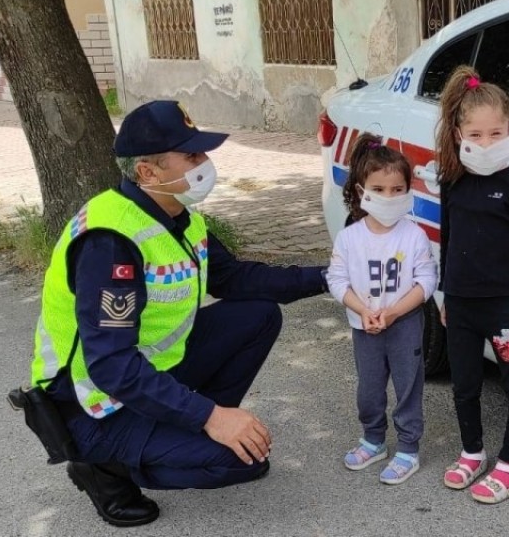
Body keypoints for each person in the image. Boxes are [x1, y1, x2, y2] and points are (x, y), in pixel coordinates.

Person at [25, 100, 329, 527]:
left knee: (258, 315)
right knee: (238, 463)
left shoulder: (179, 217)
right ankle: (101, 467)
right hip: (92, 402)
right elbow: (111, 367)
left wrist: (329, 277)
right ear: (148, 172)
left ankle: (187, 427)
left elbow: (235, 278)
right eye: (191, 156)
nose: (204, 164)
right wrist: (211, 417)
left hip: (151, 368)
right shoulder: (110, 243)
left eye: (201, 153)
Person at [434, 66, 509, 504]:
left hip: (504, 312)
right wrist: (444, 294)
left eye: (496, 134)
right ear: (459, 131)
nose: (485, 143)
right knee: (464, 386)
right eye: (476, 135)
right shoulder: (451, 182)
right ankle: (472, 452)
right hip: (460, 306)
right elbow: (447, 239)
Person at [325, 133, 437, 485]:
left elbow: (426, 282)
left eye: (399, 189)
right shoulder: (350, 237)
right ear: (362, 191)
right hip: (365, 327)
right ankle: (373, 440)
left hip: (405, 325)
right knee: (369, 388)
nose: (390, 197)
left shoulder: (414, 235)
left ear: (408, 190)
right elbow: (337, 279)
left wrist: (392, 313)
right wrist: (363, 310)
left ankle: (407, 448)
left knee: (408, 386)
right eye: (380, 188)